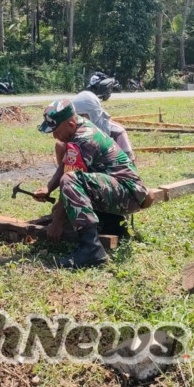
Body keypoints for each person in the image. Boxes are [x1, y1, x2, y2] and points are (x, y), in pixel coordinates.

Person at [33, 100, 154, 269]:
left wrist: (57, 222)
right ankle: (110, 222)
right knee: (69, 191)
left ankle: (92, 249)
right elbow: (67, 162)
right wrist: (49, 187)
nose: (54, 136)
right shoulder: (78, 128)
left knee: (70, 181)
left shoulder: (85, 139)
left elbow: (69, 177)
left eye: (55, 131)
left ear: (70, 124)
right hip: (118, 190)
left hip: (128, 193)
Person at [71, 90, 136, 162]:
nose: (79, 120)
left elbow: (129, 163)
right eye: (76, 117)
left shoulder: (117, 132)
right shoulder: (76, 132)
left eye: (82, 115)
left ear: (94, 114)